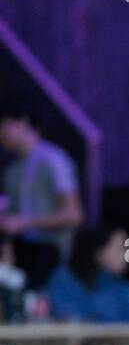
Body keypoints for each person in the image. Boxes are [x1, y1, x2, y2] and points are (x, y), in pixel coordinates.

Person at [0, 95, 83, 286]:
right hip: (19, 252)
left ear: (22, 122)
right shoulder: (12, 170)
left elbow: (74, 215)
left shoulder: (52, 160)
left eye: (3, 125)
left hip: (48, 253)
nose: (1, 133)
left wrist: (24, 223)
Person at [45, 224, 129, 323]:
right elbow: (67, 319)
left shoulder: (127, 290)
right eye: (121, 248)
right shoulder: (64, 280)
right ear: (99, 252)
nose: (127, 256)